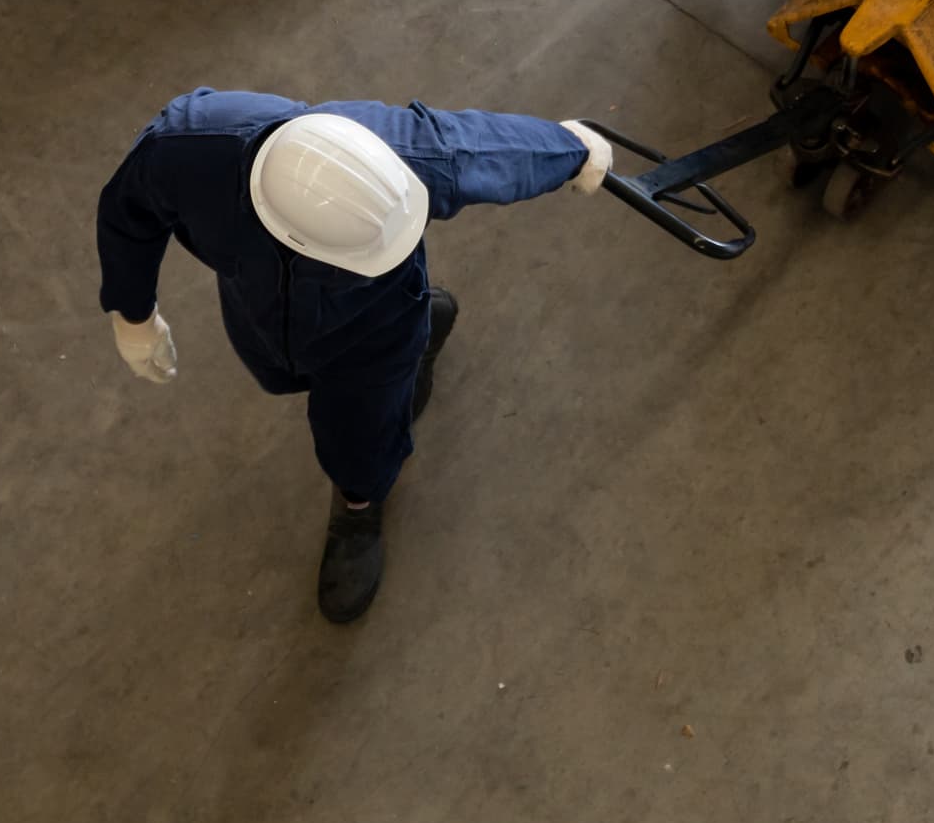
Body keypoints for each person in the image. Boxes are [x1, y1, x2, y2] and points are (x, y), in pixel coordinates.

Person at [97, 92, 615, 623]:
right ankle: (418, 336)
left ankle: (359, 503)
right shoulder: (189, 149)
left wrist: (573, 150)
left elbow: (484, 149)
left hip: (374, 325)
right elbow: (128, 214)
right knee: (275, 371)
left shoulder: (399, 152)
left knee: (358, 431)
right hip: (256, 300)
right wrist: (132, 312)